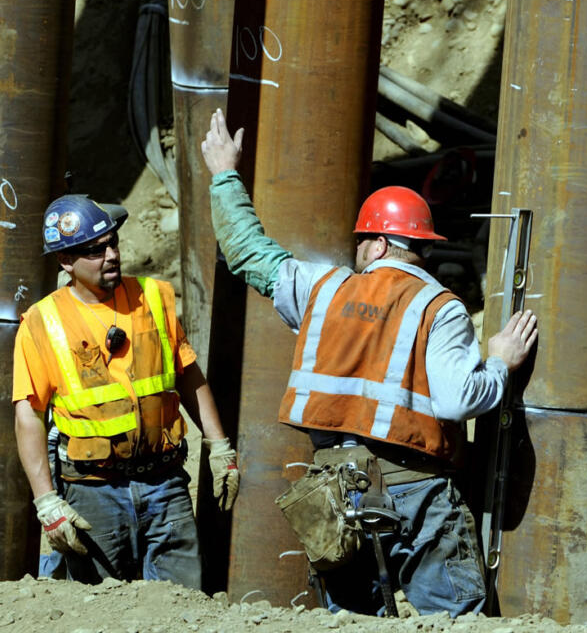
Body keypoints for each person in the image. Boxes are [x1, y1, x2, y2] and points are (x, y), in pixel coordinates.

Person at [200, 108, 538, 617]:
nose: (356, 248)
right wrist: (499, 363)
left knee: (351, 621)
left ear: (378, 242)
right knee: (455, 621)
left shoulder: (323, 287)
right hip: (414, 491)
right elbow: (458, 397)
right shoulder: (439, 306)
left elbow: (247, 252)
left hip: (334, 490)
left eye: (362, 240)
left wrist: (225, 175)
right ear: (418, 247)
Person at [13, 193, 240, 585]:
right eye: (94, 250)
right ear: (66, 261)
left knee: (183, 602)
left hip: (165, 482)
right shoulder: (42, 322)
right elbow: (29, 415)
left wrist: (218, 446)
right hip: (93, 491)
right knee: (100, 609)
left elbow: (187, 375)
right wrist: (48, 502)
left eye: (112, 242)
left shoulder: (153, 298)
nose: (111, 254)